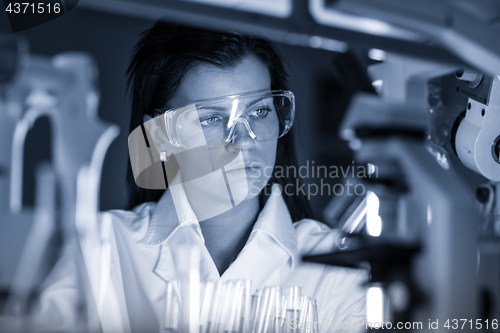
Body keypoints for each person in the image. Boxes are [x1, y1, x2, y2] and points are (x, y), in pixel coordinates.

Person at [37, 21, 367, 332]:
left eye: (260, 112)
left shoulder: (335, 269)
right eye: (210, 118)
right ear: (160, 134)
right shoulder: (102, 250)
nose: (241, 141)